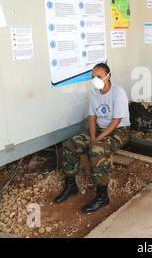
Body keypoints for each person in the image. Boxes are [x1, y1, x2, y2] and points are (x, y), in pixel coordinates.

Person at [55, 63, 131, 214]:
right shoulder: (94, 92)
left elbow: (116, 120)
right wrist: (93, 135)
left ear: (108, 76)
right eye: (92, 77)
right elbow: (92, 117)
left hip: (119, 130)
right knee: (70, 144)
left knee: (96, 151)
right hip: (99, 129)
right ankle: (71, 185)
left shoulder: (118, 92)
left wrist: (97, 139)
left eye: (99, 76)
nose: (95, 80)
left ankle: (103, 196)